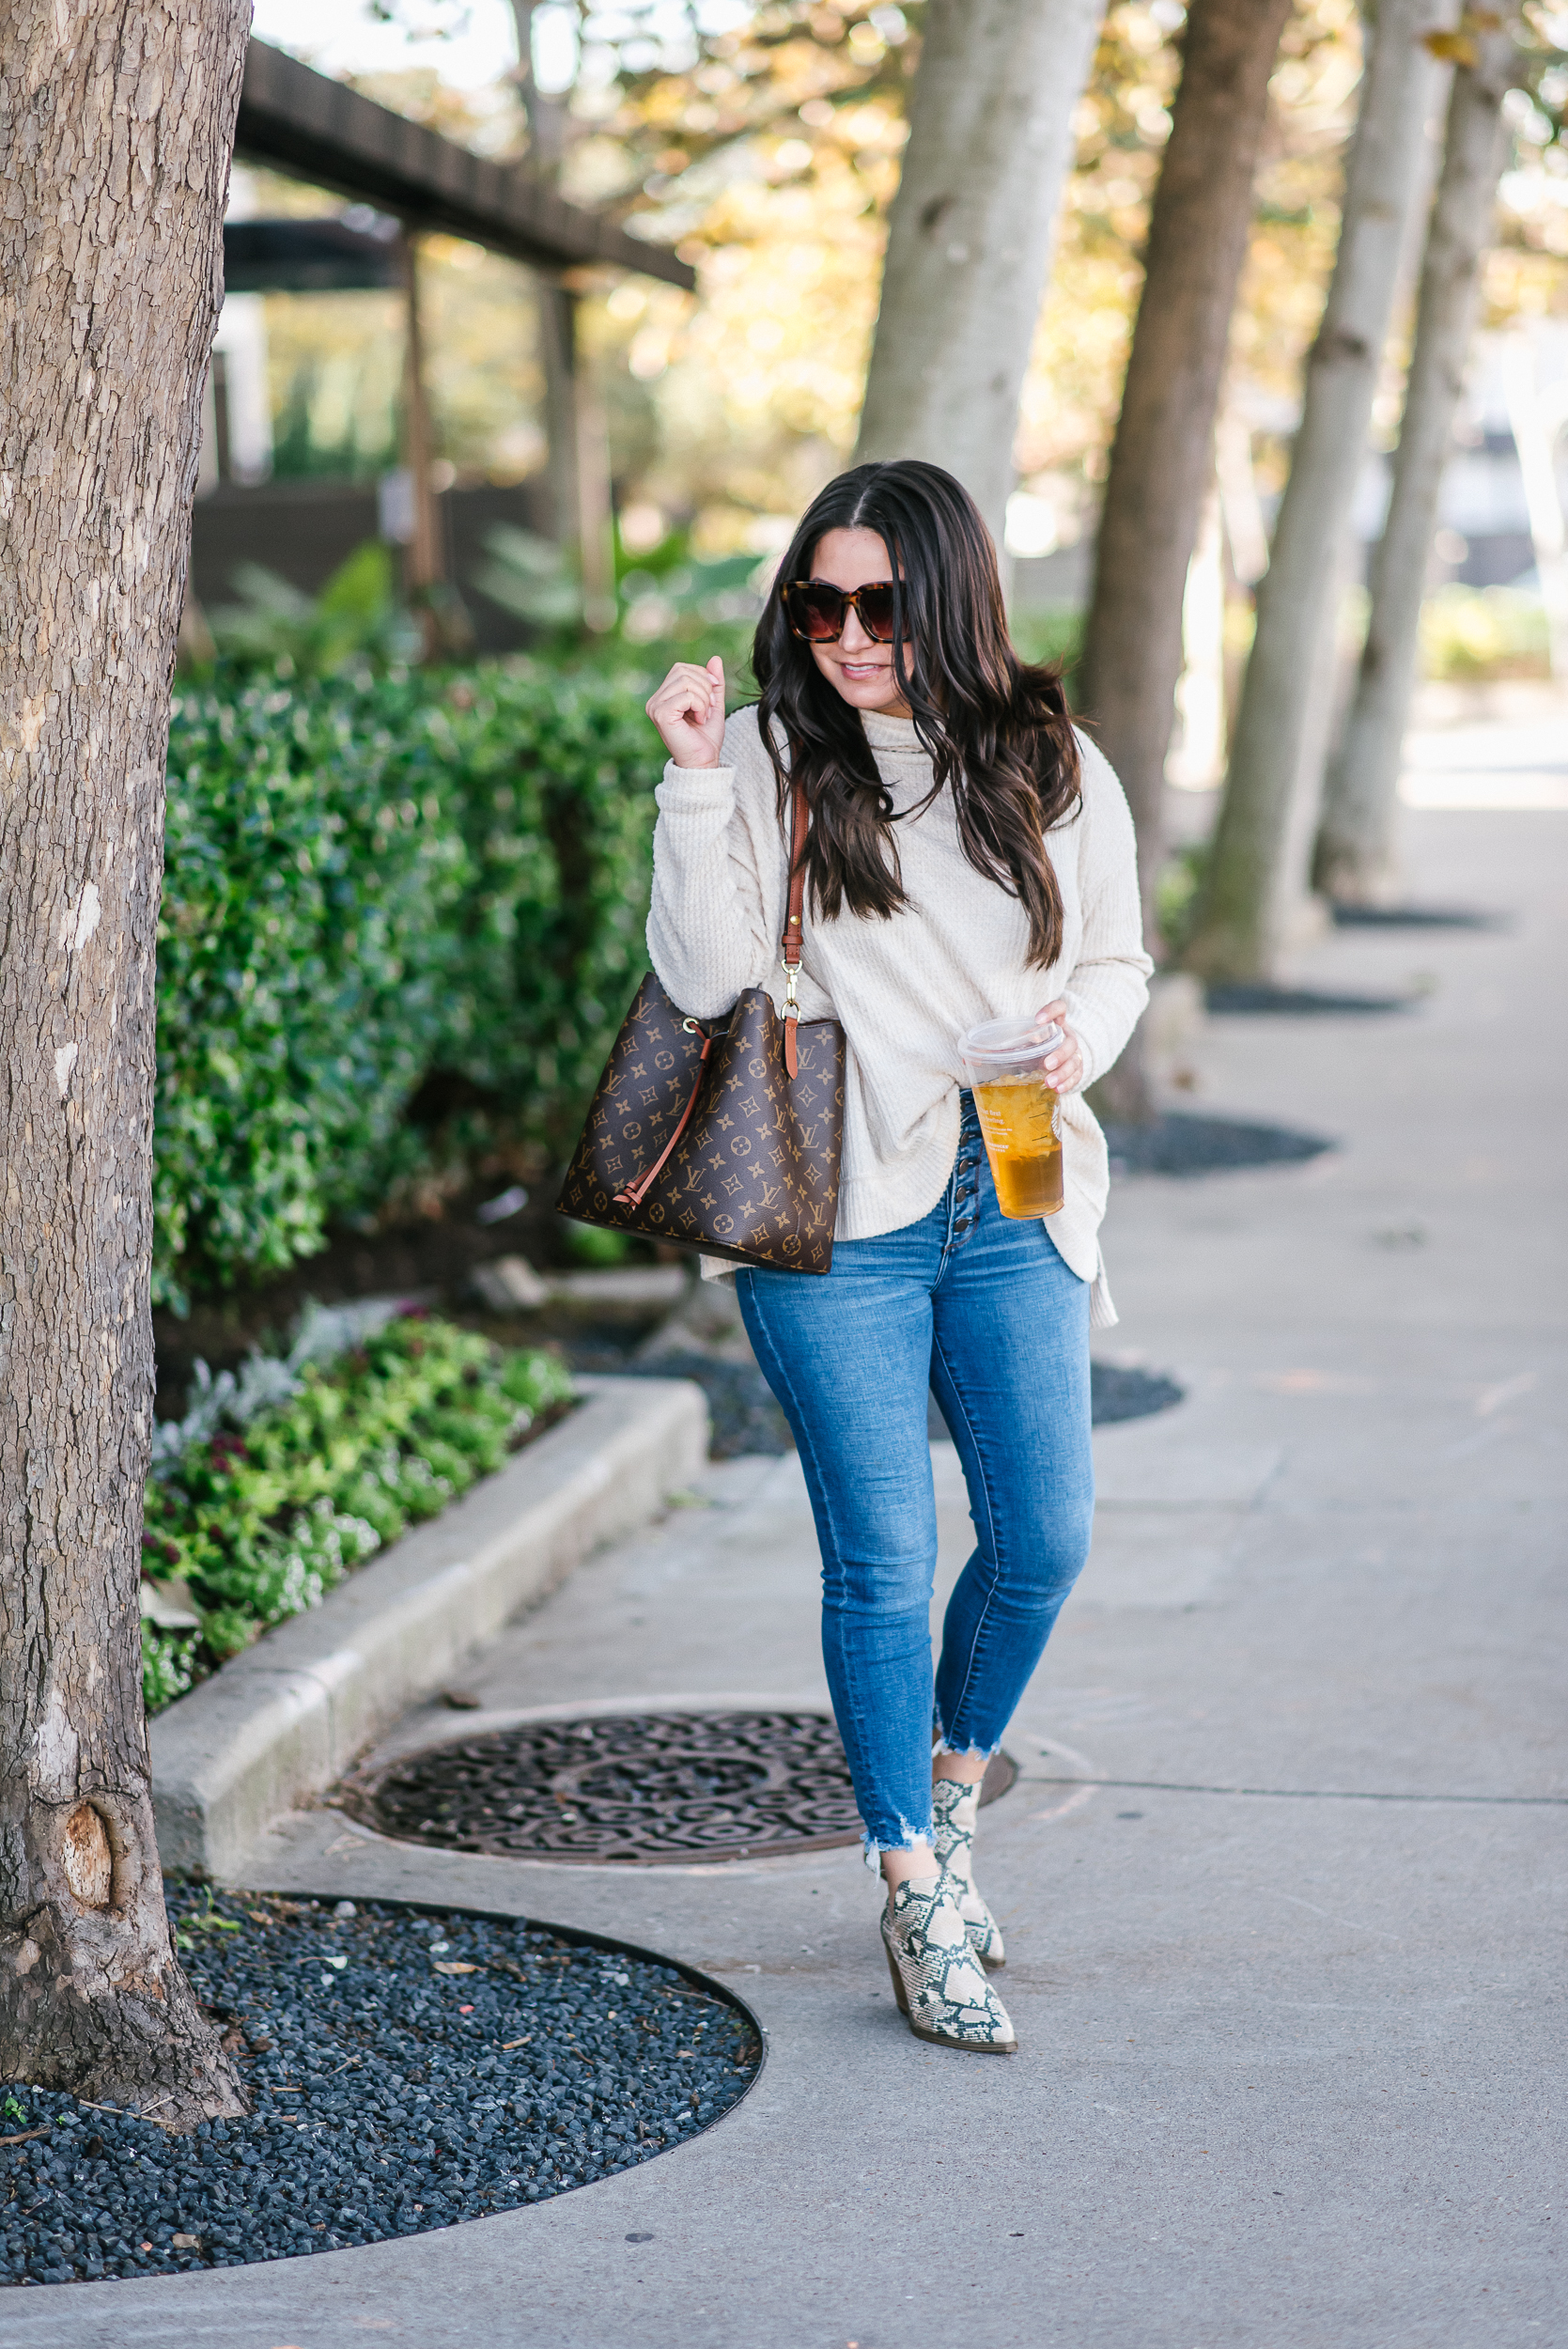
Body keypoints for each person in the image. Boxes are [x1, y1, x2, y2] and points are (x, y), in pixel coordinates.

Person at [644, 459, 1151, 2053]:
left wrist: (1076, 1037)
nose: (850, 635)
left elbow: (1118, 958)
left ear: (950, 598)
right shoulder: (765, 756)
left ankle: (947, 1797)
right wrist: (689, 782)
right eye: (820, 604)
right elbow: (702, 977)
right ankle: (908, 1882)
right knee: (878, 1557)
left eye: (880, 603)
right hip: (833, 1208)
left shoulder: (1052, 760)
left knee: (1043, 1538)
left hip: (1017, 1176)